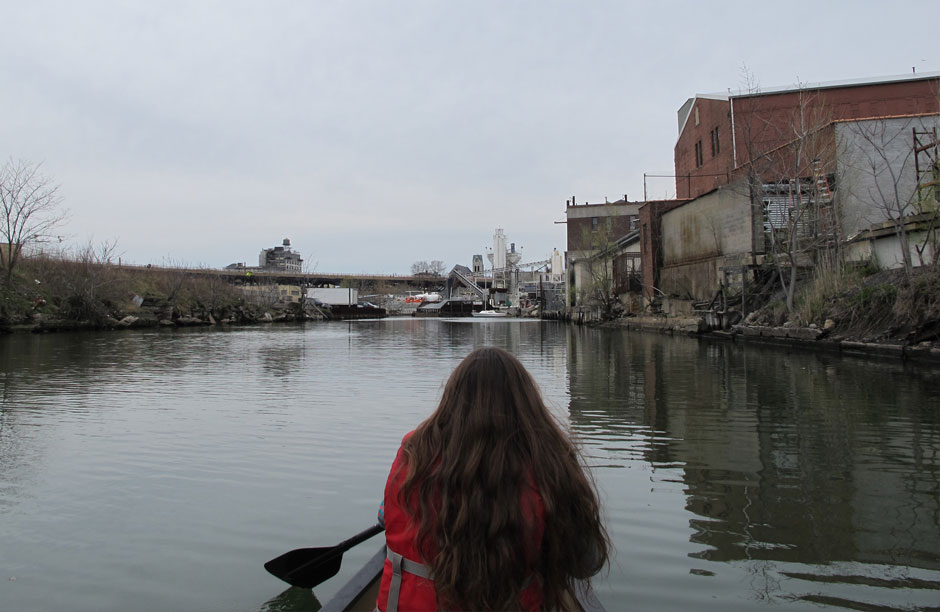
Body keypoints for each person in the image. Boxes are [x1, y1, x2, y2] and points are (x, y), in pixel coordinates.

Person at [375, 346, 609, 612]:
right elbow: (587, 562)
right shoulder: (549, 463)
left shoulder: (413, 451)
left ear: (451, 398)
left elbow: (386, 518)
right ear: (525, 403)